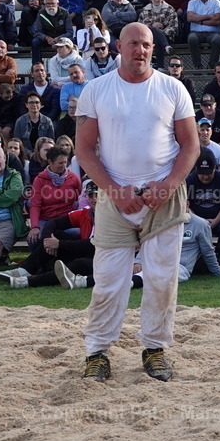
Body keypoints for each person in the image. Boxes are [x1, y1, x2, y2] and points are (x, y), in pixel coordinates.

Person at [74, 23, 198, 383]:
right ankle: (97, 352)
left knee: (161, 278)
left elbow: (191, 145)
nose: (140, 50)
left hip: (165, 197)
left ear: (152, 49)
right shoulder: (96, 90)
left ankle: (155, 349)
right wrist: (114, 190)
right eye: (133, 44)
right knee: (109, 280)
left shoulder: (173, 88)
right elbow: (84, 149)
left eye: (146, 44)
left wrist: (168, 185)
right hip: (115, 197)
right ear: (119, 46)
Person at [186, 153, 220, 270]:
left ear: (214, 168)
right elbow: (184, 203)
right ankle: (194, 260)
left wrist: (215, 221)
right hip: (195, 218)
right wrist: (199, 221)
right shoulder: (190, 180)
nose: (205, 177)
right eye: (202, 174)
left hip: (218, 218)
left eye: (208, 173)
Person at [0, 144, 24, 267]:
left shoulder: (14, 175)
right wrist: (0, 191)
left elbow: (13, 195)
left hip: (6, 220)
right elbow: (7, 196)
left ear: (4, 158)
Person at [186, 0, 220, 69]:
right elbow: (190, 18)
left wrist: (199, 20)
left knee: (218, 40)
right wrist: (208, 16)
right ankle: (198, 66)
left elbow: (217, 20)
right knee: (192, 39)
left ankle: (212, 65)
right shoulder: (192, 2)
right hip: (196, 32)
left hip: (213, 32)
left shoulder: (216, 2)